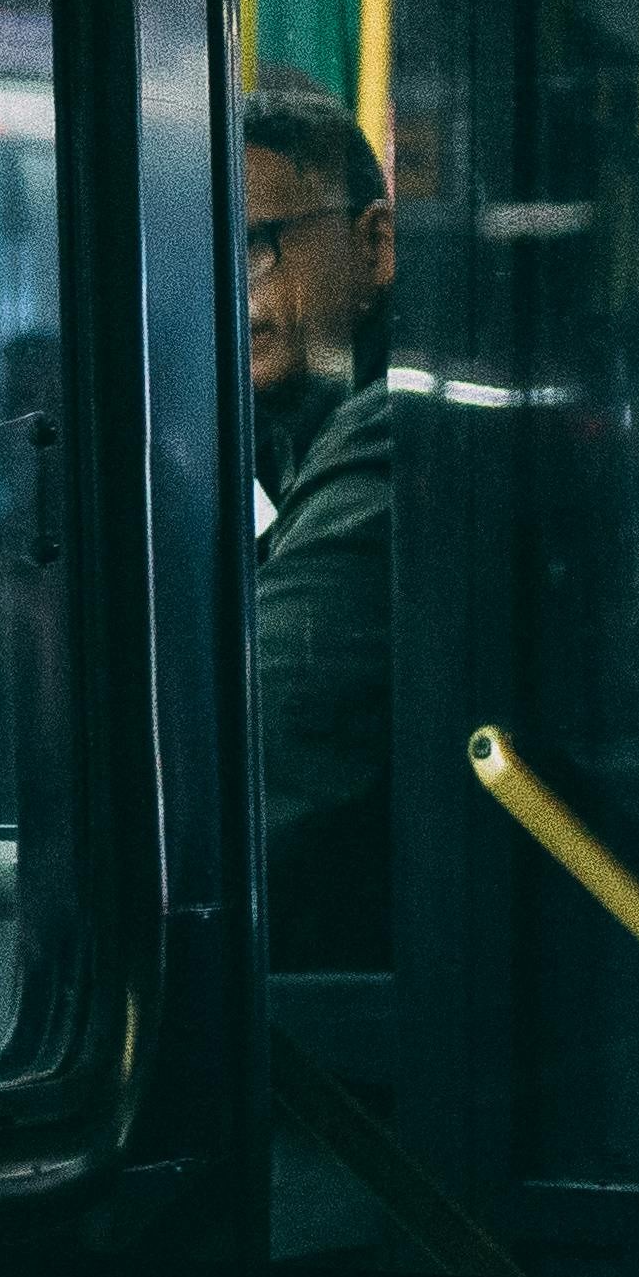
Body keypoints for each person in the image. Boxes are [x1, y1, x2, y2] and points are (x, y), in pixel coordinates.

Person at [246, 81, 399, 971]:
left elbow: (265, 744)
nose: (238, 292)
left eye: (259, 247)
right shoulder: (299, 444)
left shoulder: (396, 433)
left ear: (375, 244)